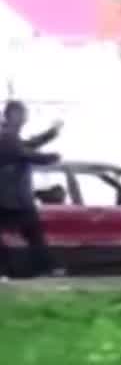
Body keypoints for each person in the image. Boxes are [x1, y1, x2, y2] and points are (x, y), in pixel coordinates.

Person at [0, 100, 62, 280]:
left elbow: (29, 145)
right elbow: (27, 154)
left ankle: (43, 268)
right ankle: (46, 268)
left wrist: (52, 133)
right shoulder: (7, 137)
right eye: (22, 114)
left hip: (13, 200)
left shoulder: (10, 136)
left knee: (34, 235)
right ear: (12, 116)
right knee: (34, 235)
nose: (25, 119)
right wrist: (52, 157)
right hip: (12, 200)